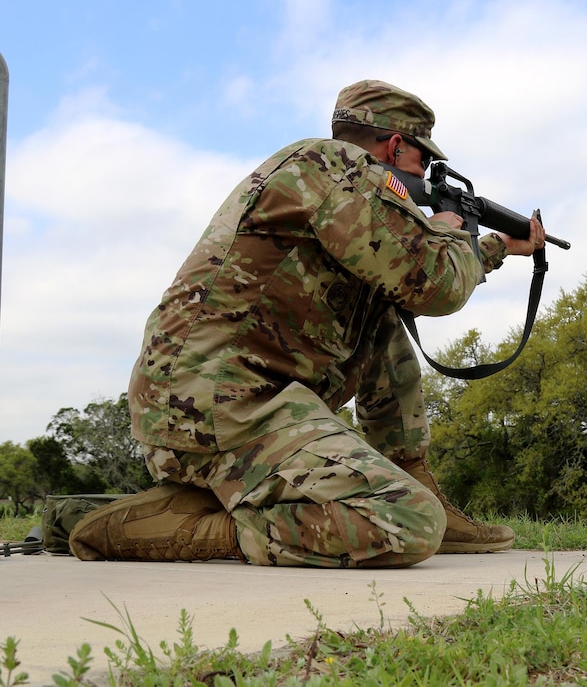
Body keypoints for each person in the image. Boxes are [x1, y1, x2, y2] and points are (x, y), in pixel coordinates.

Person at [70, 80, 547, 568]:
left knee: (380, 313)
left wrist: (495, 248)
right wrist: (452, 231)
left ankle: (412, 473)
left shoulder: (334, 181)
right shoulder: (335, 170)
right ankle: (202, 526)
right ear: (396, 145)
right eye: (422, 163)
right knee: (408, 521)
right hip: (214, 411)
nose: (422, 177)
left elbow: (407, 275)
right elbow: (436, 286)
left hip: (239, 401)